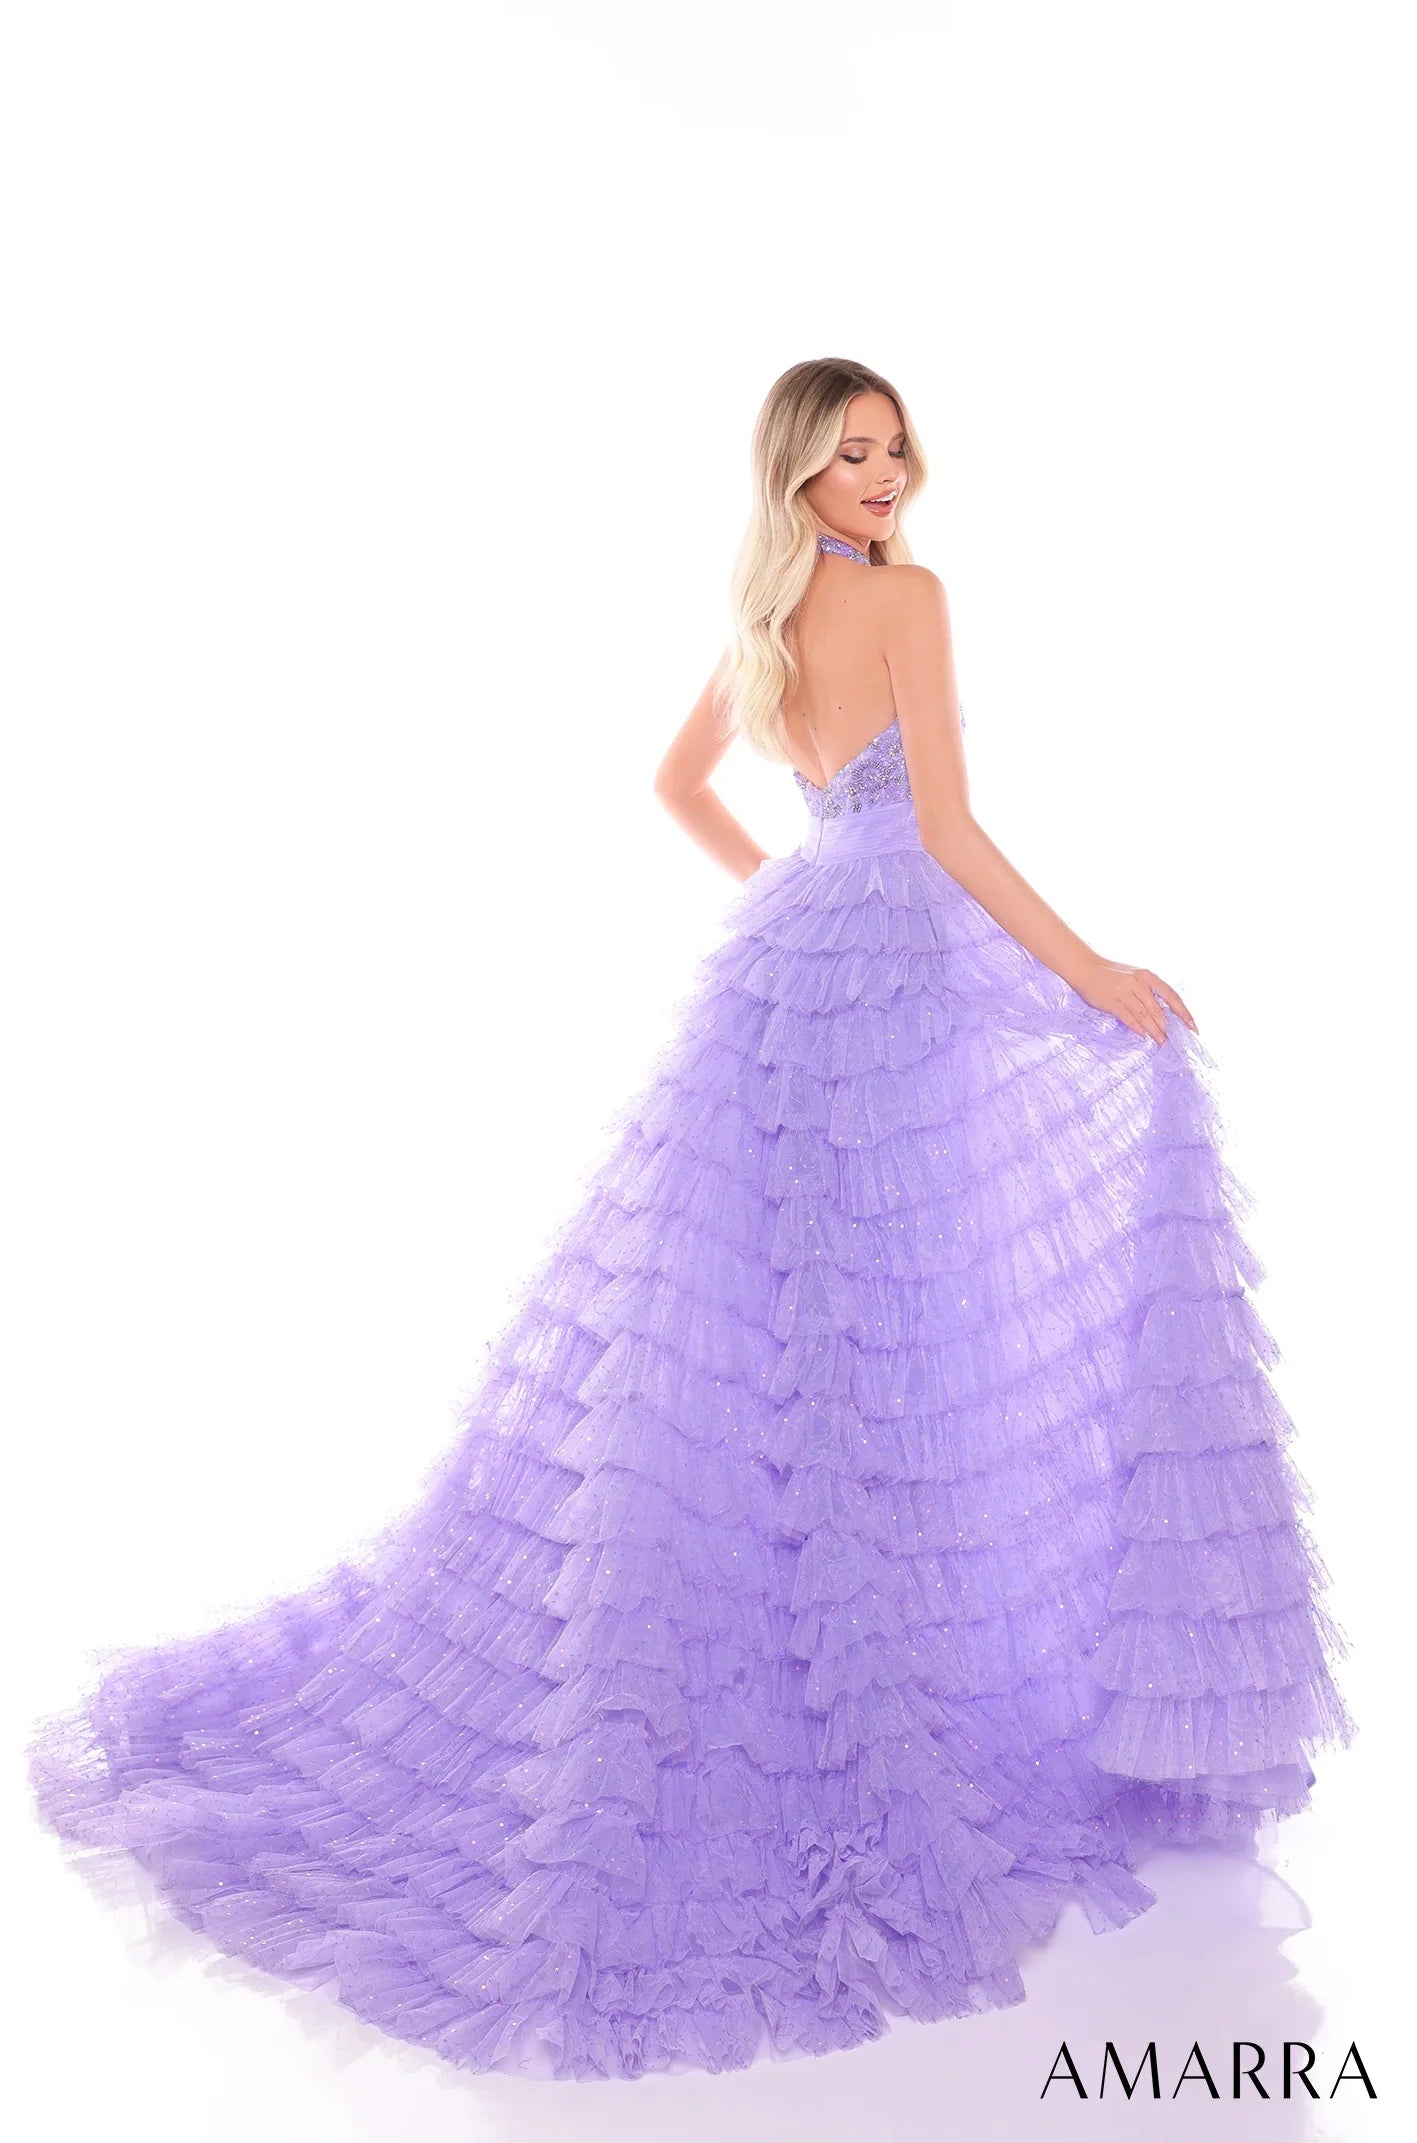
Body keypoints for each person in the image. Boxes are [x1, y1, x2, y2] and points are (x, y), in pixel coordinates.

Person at [29, 355, 1353, 2085]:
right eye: (853, 452)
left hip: (789, 977)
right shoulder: (906, 601)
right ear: (797, 469)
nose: (885, 474)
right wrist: (1091, 968)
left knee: (780, 1339)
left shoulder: (770, 611)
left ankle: (815, 1668)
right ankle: (859, 1691)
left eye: (895, 449)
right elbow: (948, 828)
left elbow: (681, 786)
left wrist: (795, 895)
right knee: (876, 1340)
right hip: (886, 979)